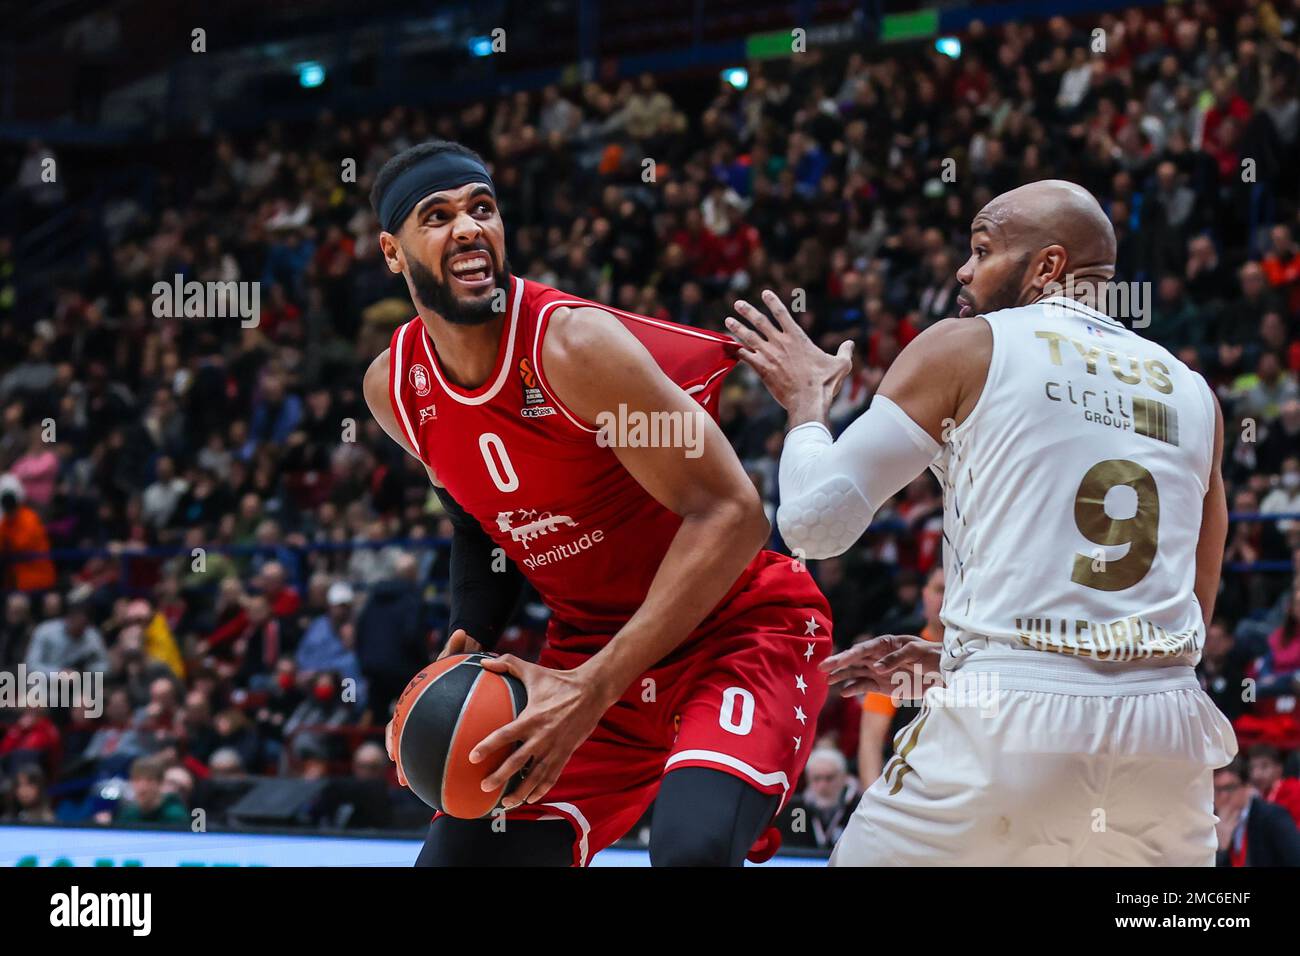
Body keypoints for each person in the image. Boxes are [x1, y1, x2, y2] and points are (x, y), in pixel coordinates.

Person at [729, 180, 1237, 865]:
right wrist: (963, 662)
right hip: (1167, 733)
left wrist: (806, 405)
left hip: (1011, 727)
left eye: (981, 249)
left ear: (1047, 267)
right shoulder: (1191, 389)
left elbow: (815, 525)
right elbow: (1193, 608)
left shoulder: (967, 346)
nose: (964, 270)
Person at [363, 140, 831, 867]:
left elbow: (735, 515)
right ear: (394, 253)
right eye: (439, 215)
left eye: (482, 208)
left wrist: (591, 688)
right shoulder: (394, 389)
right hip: (589, 655)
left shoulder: (573, 348)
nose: (468, 227)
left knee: (691, 853)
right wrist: (468, 636)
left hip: (732, 632)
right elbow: (473, 520)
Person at [1214, 757, 1300, 866]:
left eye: (1229, 788)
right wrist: (1221, 850)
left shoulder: (1272, 817)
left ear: (1247, 787)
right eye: (1217, 790)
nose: (1223, 796)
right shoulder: (1212, 822)